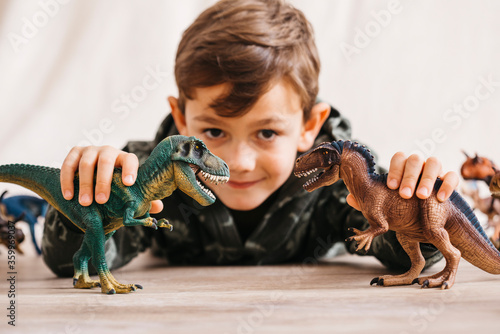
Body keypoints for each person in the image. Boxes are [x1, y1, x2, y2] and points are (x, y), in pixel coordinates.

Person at [42, 0, 458, 277]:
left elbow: (412, 256)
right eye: (214, 131)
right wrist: (84, 196)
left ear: (310, 127)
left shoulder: (343, 185)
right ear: (181, 118)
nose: (239, 160)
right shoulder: (145, 176)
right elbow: (74, 265)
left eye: (267, 132)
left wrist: (423, 200)